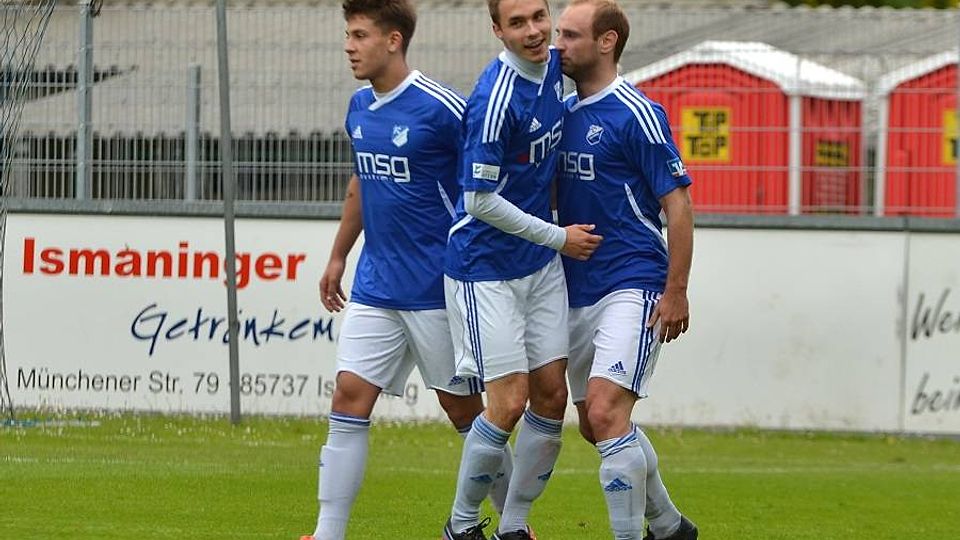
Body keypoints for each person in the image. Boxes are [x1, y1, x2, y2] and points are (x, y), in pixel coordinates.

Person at [302, 1, 515, 539]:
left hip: (438, 290)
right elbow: (361, 182)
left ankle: (516, 524)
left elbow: (492, 176)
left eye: (359, 35)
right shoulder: (358, 107)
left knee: (466, 414)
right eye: (348, 35)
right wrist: (338, 254)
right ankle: (328, 532)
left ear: (393, 40)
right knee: (349, 397)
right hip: (376, 286)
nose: (349, 46)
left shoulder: (442, 108)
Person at [440, 1, 603, 539]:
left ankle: (513, 526)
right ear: (497, 30)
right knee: (508, 403)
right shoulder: (495, 98)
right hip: (485, 268)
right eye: (517, 23)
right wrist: (559, 237)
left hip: (540, 265)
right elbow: (479, 199)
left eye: (538, 16)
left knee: (552, 396)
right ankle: (461, 525)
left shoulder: (556, 66)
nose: (533, 31)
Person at [554, 1, 699, 539]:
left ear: (607, 41)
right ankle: (669, 525)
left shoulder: (637, 113)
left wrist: (676, 290)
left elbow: (678, 205)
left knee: (607, 413)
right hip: (573, 289)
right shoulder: (560, 115)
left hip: (632, 281)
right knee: (596, 425)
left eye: (570, 35)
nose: (558, 45)